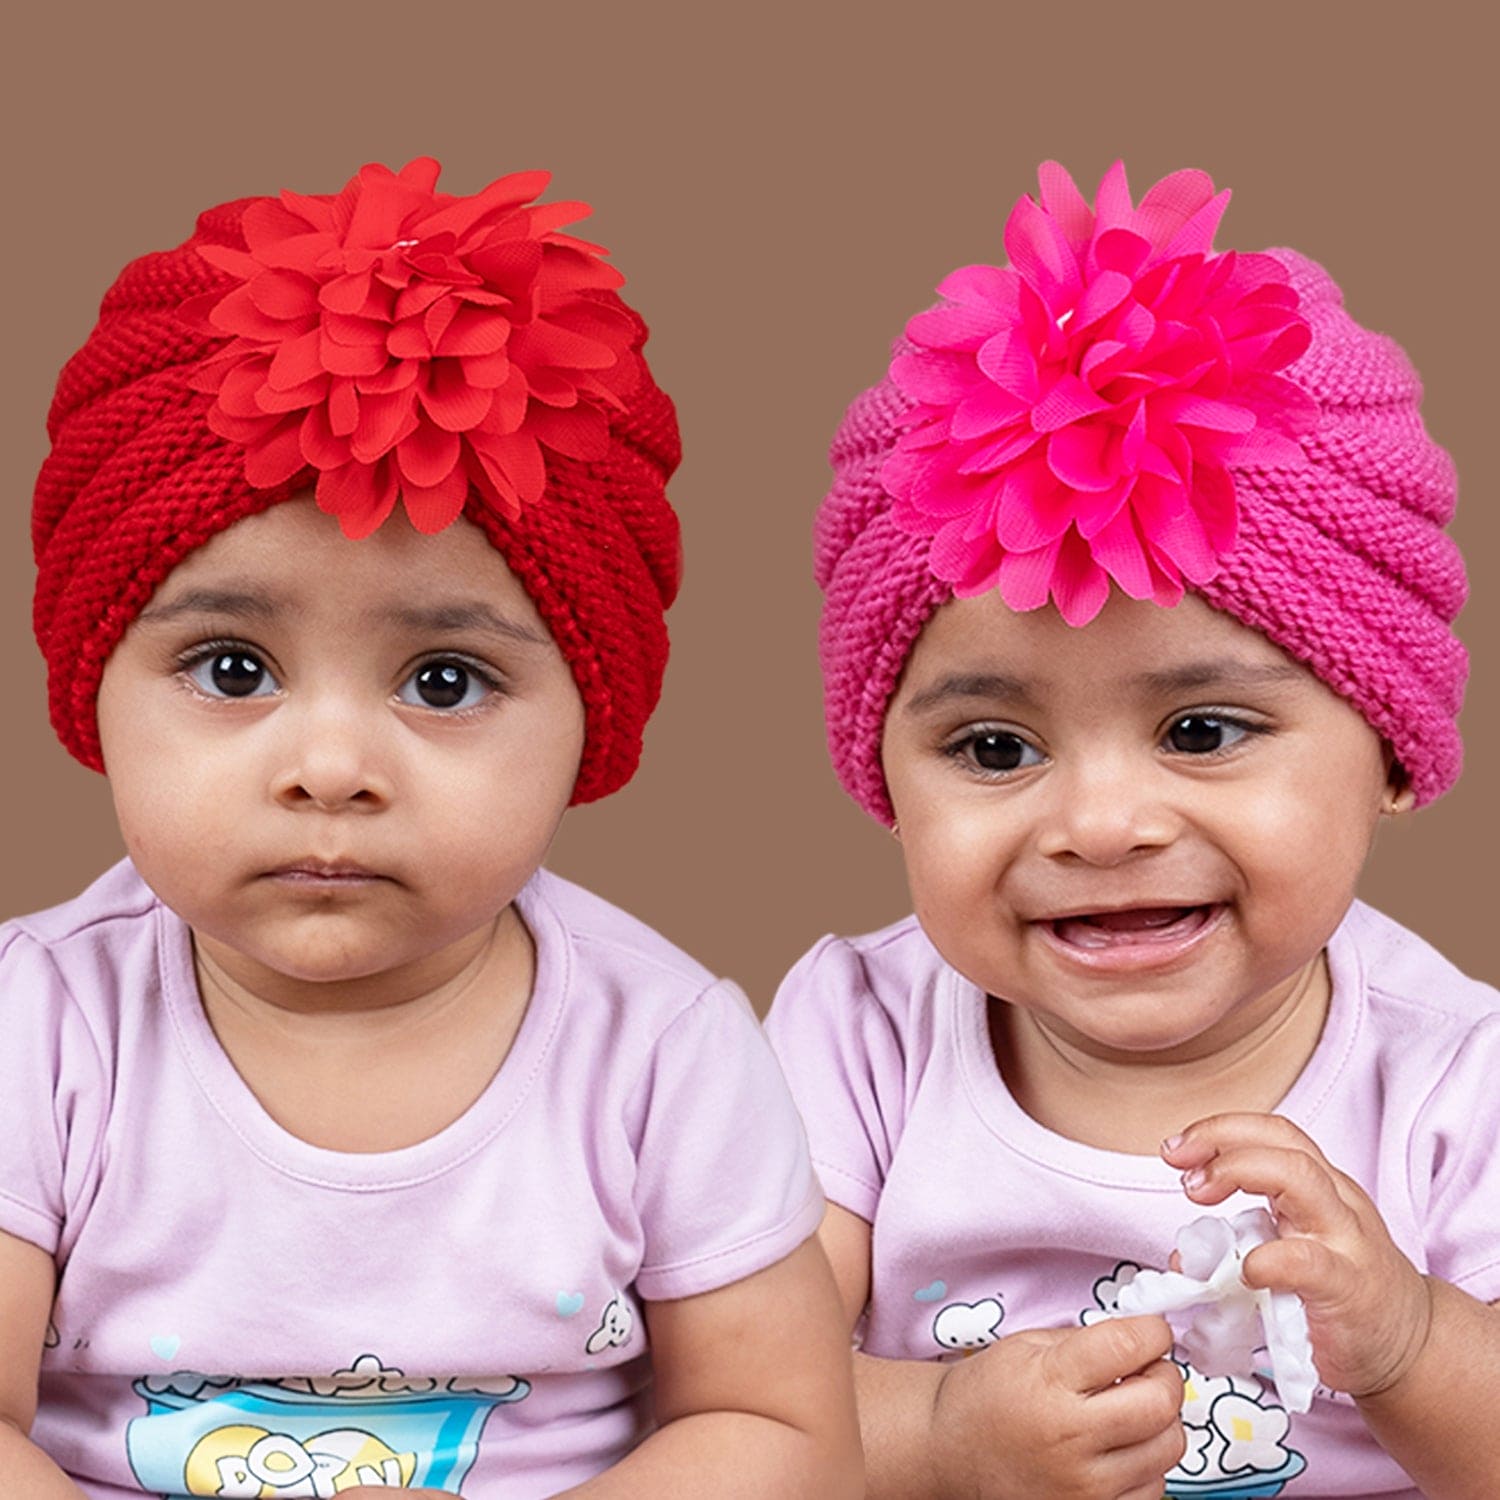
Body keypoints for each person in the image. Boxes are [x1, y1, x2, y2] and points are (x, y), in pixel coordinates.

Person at [0, 158, 859, 1500]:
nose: (332, 768)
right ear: (91, 694)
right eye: (233, 669)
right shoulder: (41, 1028)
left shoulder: (663, 1048)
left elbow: (780, 1433)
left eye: (443, 682)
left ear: (592, 722)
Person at [765, 159, 1499, 1500]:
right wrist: (936, 1439)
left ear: (1391, 748)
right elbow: (731, 1405)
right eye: (996, 749)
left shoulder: (1458, 1082)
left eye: (1204, 731)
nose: (1099, 824)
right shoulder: (858, 1037)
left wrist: (1408, 1341)